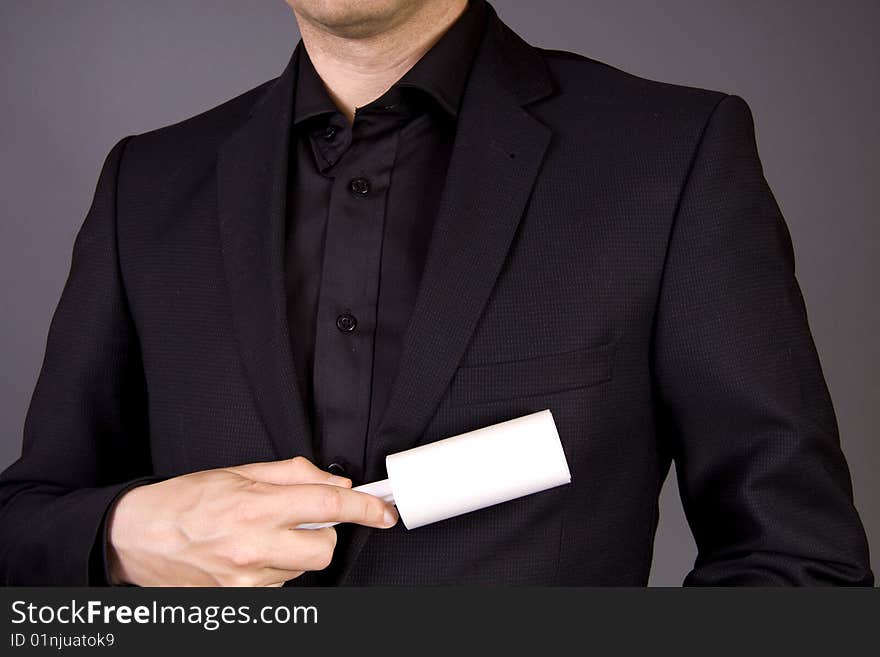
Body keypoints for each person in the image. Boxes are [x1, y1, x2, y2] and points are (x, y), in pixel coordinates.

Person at [0, 0, 872, 586]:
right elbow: (24, 524)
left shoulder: (670, 154)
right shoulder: (145, 181)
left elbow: (798, 561)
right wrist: (120, 536)